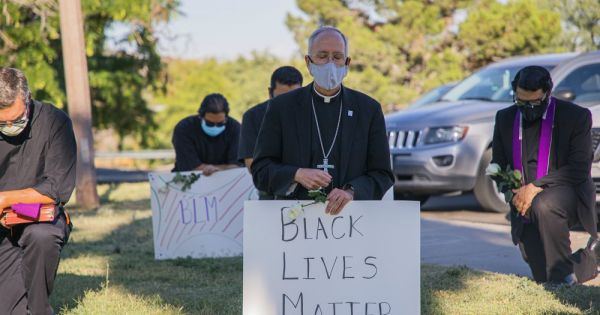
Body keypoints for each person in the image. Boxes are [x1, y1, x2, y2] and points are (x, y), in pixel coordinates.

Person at [251, 26, 394, 215]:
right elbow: (261, 170)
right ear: (308, 62)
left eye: (337, 57)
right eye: (322, 56)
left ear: (347, 62)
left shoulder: (368, 109)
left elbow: (382, 174)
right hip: (295, 224)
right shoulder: (281, 108)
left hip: (353, 221)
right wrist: (296, 174)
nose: (330, 64)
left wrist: (352, 191)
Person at [491, 65, 599, 285]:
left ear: (547, 94)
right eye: (521, 102)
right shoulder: (505, 118)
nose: (527, 108)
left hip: (569, 192)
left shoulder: (576, 117)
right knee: (543, 276)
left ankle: (563, 282)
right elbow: (497, 165)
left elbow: (578, 169)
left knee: (543, 204)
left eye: (534, 103)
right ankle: (592, 257)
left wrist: (534, 188)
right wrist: (511, 192)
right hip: (524, 198)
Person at [0, 67, 75, 314]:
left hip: (37, 218)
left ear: (28, 99)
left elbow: (57, 188)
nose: (11, 126)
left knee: (42, 236)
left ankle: (40, 308)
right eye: (3, 122)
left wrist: (5, 199)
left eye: (18, 119)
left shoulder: (55, 121)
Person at [239, 66, 303, 170]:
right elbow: (252, 165)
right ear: (270, 92)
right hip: (272, 184)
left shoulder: (312, 113)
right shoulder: (252, 117)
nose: (287, 104)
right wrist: (294, 175)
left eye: (294, 97)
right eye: (281, 98)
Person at [172, 93, 242, 175]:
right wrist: (218, 169)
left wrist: (214, 169)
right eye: (210, 124)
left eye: (220, 124)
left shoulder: (235, 128)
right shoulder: (184, 128)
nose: (215, 127)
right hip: (189, 180)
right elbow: (189, 167)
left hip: (226, 180)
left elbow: (237, 166)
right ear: (200, 117)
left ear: (226, 118)